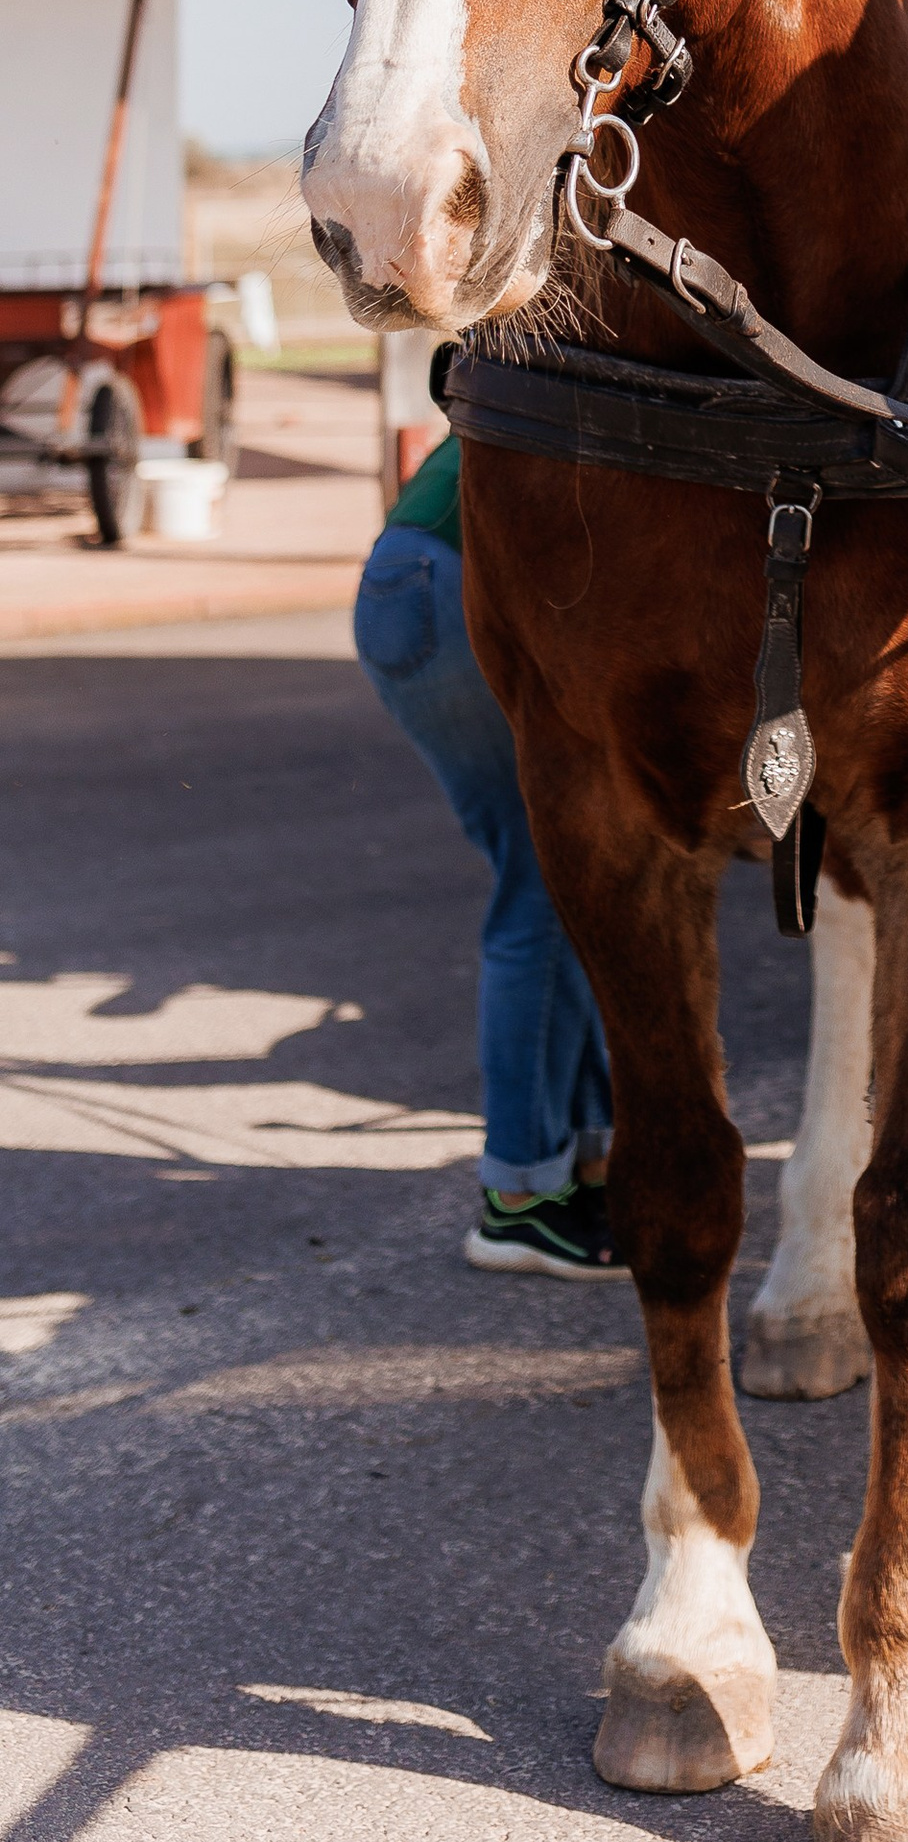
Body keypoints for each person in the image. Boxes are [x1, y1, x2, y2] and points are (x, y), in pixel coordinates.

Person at [354, 434, 623, 1277]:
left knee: (564, 882)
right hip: (447, 582)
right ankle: (519, 1201)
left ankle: (579, 1166)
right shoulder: (649, 349)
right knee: (544, 885)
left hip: (415, 578)